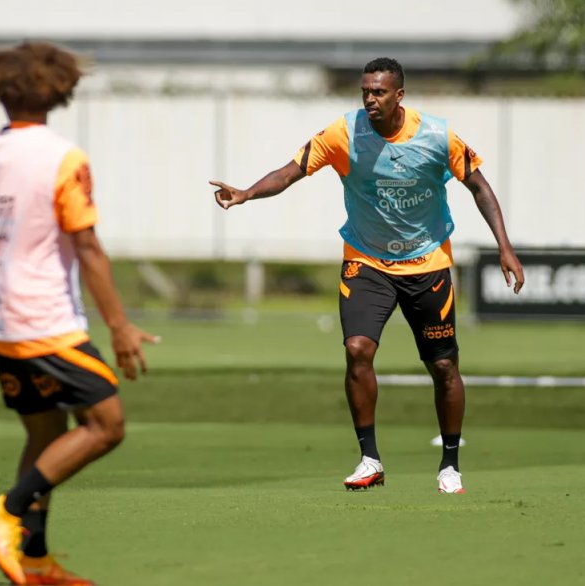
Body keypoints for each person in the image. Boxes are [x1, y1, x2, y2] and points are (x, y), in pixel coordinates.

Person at [210, 57, 524, 494]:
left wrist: (505, 248)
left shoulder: (436, 135)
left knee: (444, 366)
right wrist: (246, 193)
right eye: (365, 92)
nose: (369, 99)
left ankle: (449, 464)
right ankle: (369, 458)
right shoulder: (344, 132)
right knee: (357, 349)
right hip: (366, 261)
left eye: (378, 92)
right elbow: (291, 171)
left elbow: (479, 186)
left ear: (399, 95)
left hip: (427, 263)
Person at [0, 41, 157, 585]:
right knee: (106, 424)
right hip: (42, 318)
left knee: (45, 435)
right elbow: (88, 248)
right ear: (61, 88)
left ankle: (35, 559)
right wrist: (120, 325)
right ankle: (5, 509)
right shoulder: (62, 157)